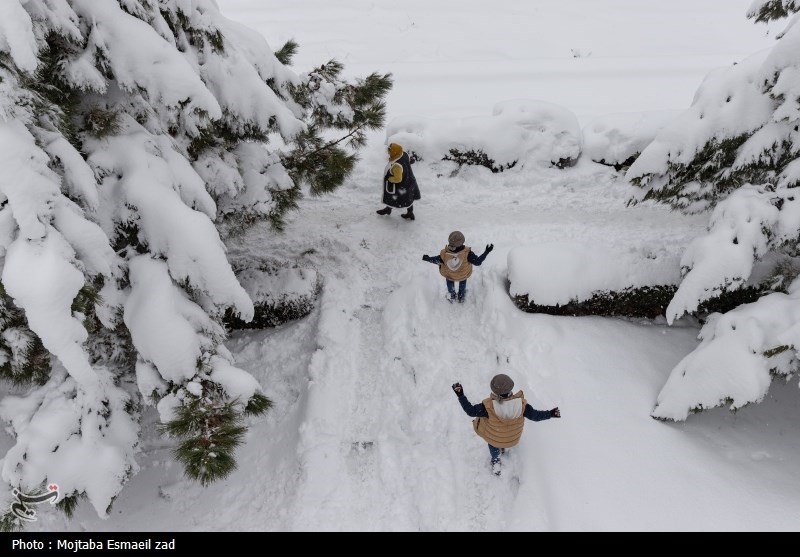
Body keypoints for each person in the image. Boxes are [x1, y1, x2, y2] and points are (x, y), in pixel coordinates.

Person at [451, 374, 560, 476]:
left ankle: (496, 461)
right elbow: (535, 416)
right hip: (513, 439)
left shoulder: (488, 407)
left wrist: (461, 395)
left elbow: (470, 411)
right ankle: (502, 447)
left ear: (494, 391)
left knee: (493, 443)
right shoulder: (521, 405)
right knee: (500, 436)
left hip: (496, 438)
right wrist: (550, 413)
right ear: (511, 388)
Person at [422, 231, 493, 302]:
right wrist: (486, 251)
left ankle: (452, 295)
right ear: (462, 242)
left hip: (450, 275)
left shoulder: (445, 253)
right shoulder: (467, 253)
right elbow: (478, 262)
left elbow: (436, 260)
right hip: (462, 275)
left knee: (449, 281)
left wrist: (428, 258)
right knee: (462, 281)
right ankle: (461, 296)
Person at [376, 142, 420, 220]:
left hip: (401, 185)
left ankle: (391, 210)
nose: (388, 152)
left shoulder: (397, 166)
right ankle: (406, 212)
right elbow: (407, 161)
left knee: (395, 197)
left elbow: (398, 178)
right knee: (408, 198)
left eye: (389, 150)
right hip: (409, 181)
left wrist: (389, 179)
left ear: (394, 152)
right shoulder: (403, 154)